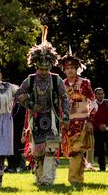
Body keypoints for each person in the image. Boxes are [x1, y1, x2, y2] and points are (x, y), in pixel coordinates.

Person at [15, 26, 70, 186]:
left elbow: (64, 98)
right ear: (36, 67)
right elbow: (17, 95)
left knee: (51, 150)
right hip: (36, 119)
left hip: (53, 119)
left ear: (50, 67)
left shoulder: (56, 79)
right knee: (38, 152)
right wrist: (31, 104)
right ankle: (39, 179)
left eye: (46, 69)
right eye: (41, 69)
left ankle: (48, 179)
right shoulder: (30, 80)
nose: (44, 72)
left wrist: (65, 116)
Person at [58, 46, 98, 184]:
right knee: (72, 152)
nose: (70, 70)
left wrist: (90, 119)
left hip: (82, 121)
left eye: (72, 67)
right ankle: (79, 178)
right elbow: (59, 105)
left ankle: (74, 180)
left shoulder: (85, 83)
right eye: (67, 68)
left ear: (77, 68)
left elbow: (93, 102)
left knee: (77, 150)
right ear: (64, 69)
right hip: (67, 122)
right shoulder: (61, 84)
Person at [93, 87, 108, 172]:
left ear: (104, 94)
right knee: (99, 149)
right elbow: (91, 117)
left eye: (102, 94)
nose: (100, 95)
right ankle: (102, 167)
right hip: (97, 130)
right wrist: (98, 125)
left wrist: (106, 125)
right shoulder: (92, 104)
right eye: (98, 94)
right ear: (95, 95)